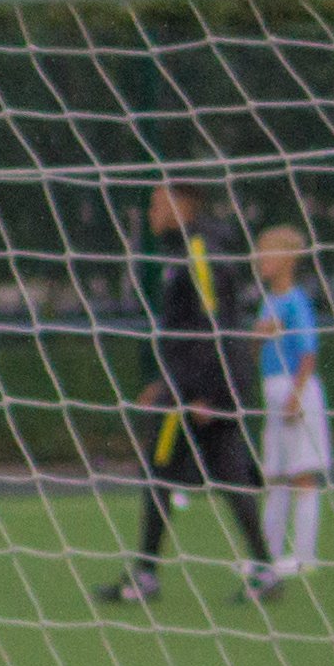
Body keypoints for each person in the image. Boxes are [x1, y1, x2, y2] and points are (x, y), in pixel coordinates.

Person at [108, 181, 266, 606]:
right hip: (196, 385)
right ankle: (265, 570)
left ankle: (145, 576)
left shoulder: (200, 252)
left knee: (160, 472)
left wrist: (205, 394)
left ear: (183, 204)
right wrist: (167, 381)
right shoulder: (184, 250)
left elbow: (216, 326)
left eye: (159, 203)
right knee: (228, 475)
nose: (153, 212)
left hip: (201, 391)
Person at [254, 222, 330, 591]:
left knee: (302, 474)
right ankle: (265, 557)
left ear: (288, 259)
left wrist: (297, 394)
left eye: (266, 252)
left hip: (294, 391)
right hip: (272, 390)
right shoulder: (268, 301)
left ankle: (305, 556)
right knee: (276, 475)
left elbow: (308, 352)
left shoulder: (296, 301)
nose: (259, 259)